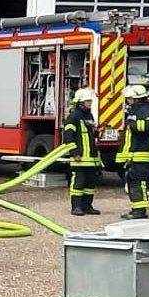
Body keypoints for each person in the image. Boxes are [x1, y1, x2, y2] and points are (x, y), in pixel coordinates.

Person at [118, 83, 149, 220]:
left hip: (141, 155)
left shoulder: (146, 110)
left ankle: (139, 211)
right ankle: (137, 209)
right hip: (134, 155)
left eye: (129, 98)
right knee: (133, 182)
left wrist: (134, 125)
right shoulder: (135, 110)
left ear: (135, 98)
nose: (127, 100)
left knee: (138, 183)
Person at [61, 87, 102, 218]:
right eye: (87, 101)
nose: (90, 103)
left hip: (91, 157)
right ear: (80, 102)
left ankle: (87, 206)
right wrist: (74, 152)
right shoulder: (73, 117)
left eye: (90, 101)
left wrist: (97, 132)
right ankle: (76, 206)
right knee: (79, 183)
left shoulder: (88, 115)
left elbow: (89, 133)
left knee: (90, 183)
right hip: (80, 157)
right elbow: (68, 137)